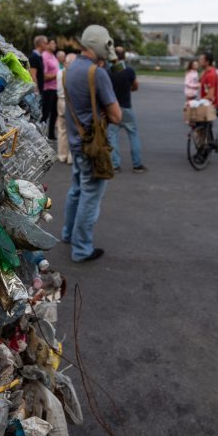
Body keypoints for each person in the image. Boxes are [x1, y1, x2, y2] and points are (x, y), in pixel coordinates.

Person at [62, 25, 122, 262]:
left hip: (77, 143)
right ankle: (81, 249)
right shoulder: (97, 74)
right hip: (92, 146)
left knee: (77, 190)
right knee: (90, 196)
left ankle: (68, 234)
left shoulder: (70, 68)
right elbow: (117, 116)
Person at [107, 54, 147, 173]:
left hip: (113, 108)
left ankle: (115, 165)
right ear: (123, 56)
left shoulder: (108, 71)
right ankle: (137, 164)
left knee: (113, 136)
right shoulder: (129, 70)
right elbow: (136, 86)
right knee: (133, 134)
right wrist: (128, 89)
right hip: (126, 107)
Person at [56, 51, 73, 164]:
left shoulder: (59, 73)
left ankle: (62, 155)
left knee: (62, 129)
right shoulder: (72, 74)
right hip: (70, 101)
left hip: (60, 100)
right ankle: (71, 157)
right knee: (72, 129)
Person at [41, 39, 59, 140]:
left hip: (56, 88)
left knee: (55, 113)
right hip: (48, 89)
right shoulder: (45, 56)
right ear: (47, 45)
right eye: (53, 43)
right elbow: (44, 76)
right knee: (45, 113)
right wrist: (57, 75)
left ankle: (51, 134)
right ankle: (41, 135)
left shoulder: (53, 56)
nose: (55, 45)